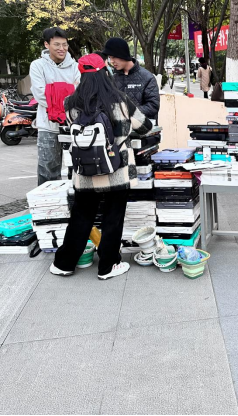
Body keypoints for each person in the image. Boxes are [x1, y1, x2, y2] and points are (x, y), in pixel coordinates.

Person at [50, 54, 153, 281]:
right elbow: (145, 126)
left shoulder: (70, 103)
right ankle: (108, 265)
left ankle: (63, 264)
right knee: (113, 217)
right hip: (117, 170)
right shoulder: (121, 100)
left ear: (81, 76)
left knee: (81, 216)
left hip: (85, 171)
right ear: (105, 73)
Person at [30, 27, 80, 185]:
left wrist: (53, 90)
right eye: (57, 44)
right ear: (47, 44)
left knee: (79, 169)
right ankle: (46, 200)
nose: (62, 48)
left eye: (64, 44)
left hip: (73, 125)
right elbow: (41, 95)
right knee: (47, 170)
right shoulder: (37, 66)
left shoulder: (75, 66)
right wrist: (70, 89)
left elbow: (80, 94)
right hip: (47, 125)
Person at [102, 38, 160, 120]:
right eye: (109, 57)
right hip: (120, 127)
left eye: (114, 57)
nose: (111, 61)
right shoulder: (113, 78)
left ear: (122, 54)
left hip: (143, 126)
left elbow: (153, 106)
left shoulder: (147, 77)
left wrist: (129, 112)